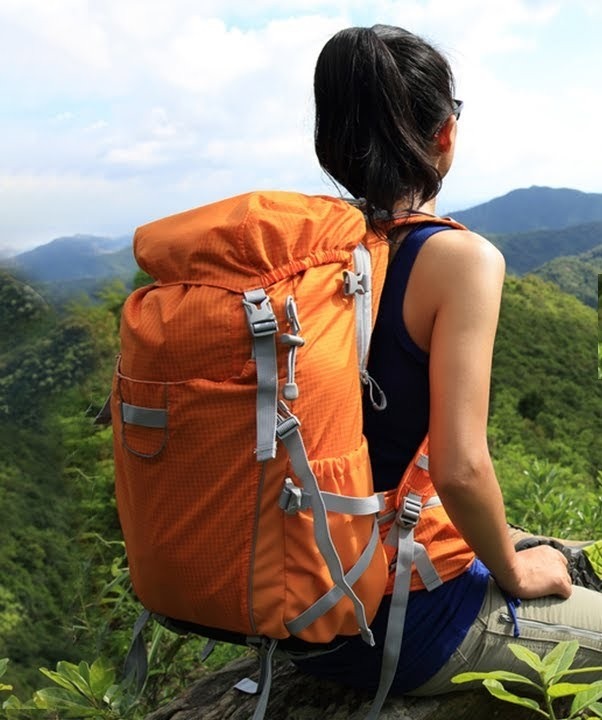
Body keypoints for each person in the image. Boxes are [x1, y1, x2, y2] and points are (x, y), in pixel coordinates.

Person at [295, 23, 602, 697]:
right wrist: (517, 573)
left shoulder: (304, 264)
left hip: (300, 607)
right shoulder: (459, 260)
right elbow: (462, 469)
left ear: (329, 147)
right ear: (446, 135)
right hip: (407, 620)